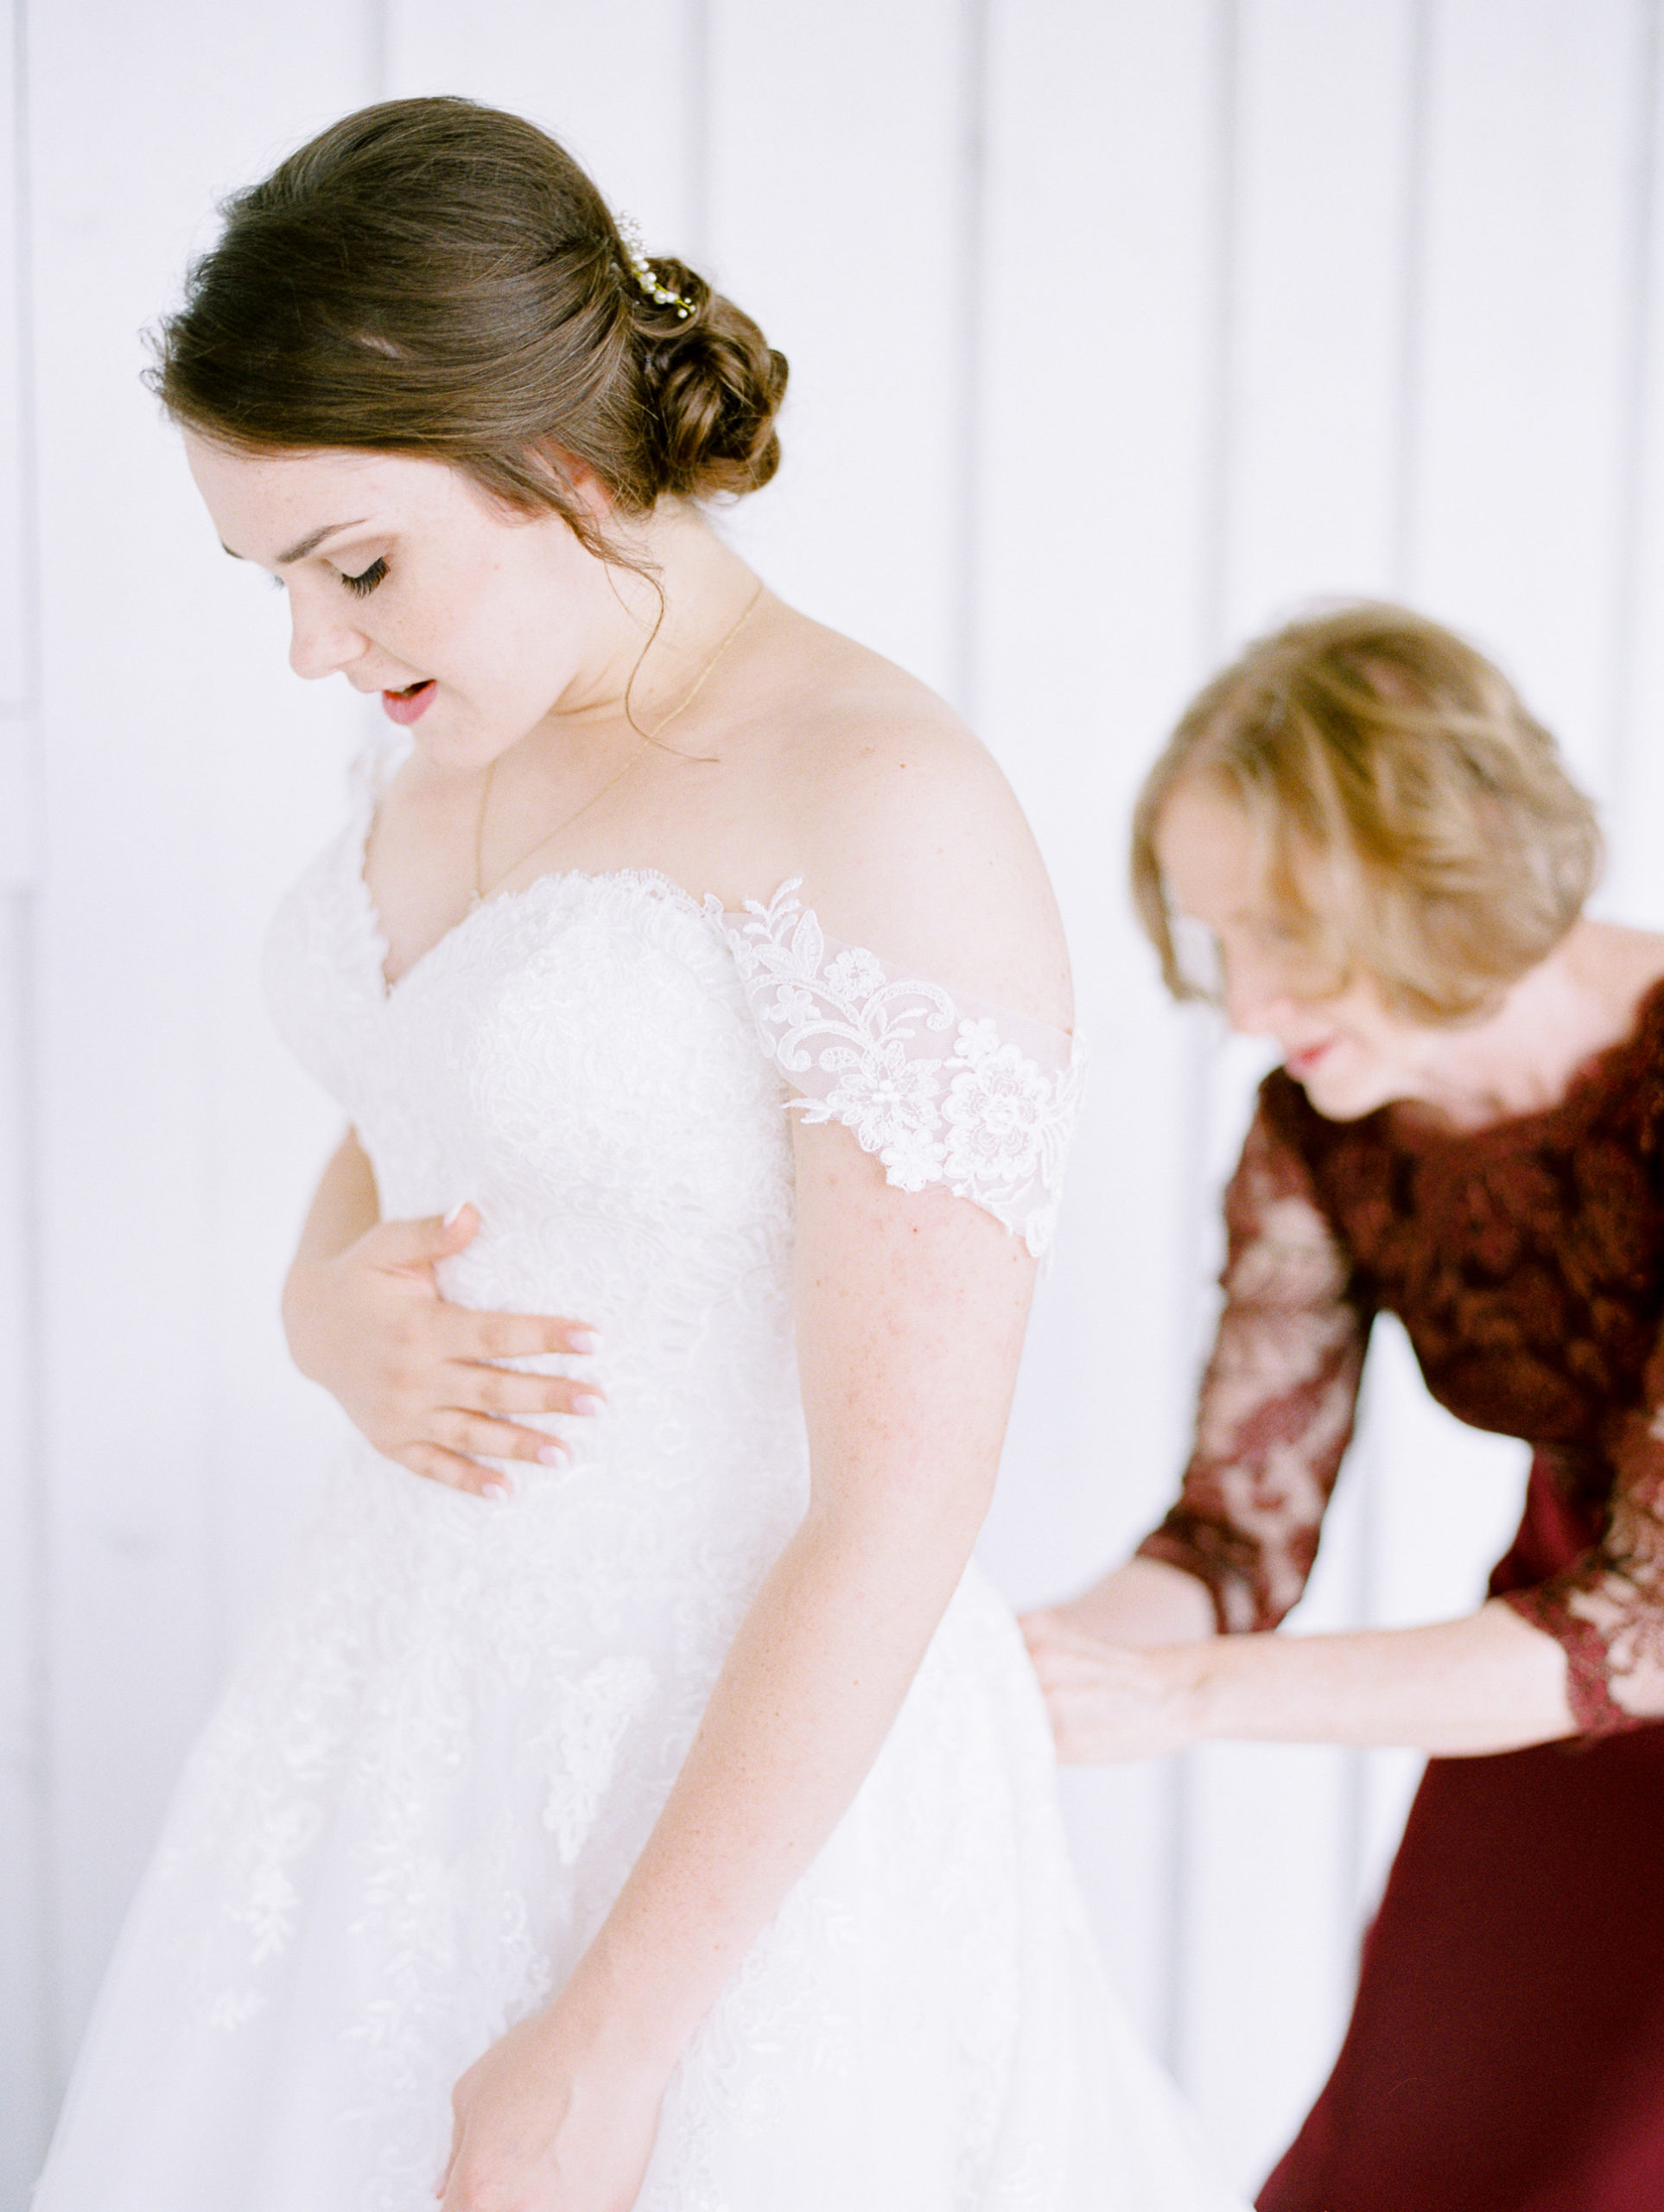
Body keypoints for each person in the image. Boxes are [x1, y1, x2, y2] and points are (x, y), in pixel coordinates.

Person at [33, 97, 1242, 2212]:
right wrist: (323, 1305)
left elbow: (898, 1503)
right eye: (278, 582)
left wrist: (612, 2031)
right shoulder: (456, 715)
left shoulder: (876, 802)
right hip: (394, 1702)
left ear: (564, 471)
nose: (317, 647)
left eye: (356, 566)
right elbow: (424, 1084)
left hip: (730, 1791)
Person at [1022, 599, 1664, 2212]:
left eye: (1283, 938)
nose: (1242, 1003)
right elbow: (1234, 1537)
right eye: (1216, 937)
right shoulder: (1324, 1129)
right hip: (1558, 1671)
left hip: (1602, 1637)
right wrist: (1032, 1674)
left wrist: (1185, 1705)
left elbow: (1642, 1620)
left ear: (1443, 873)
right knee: (1409, 2159)